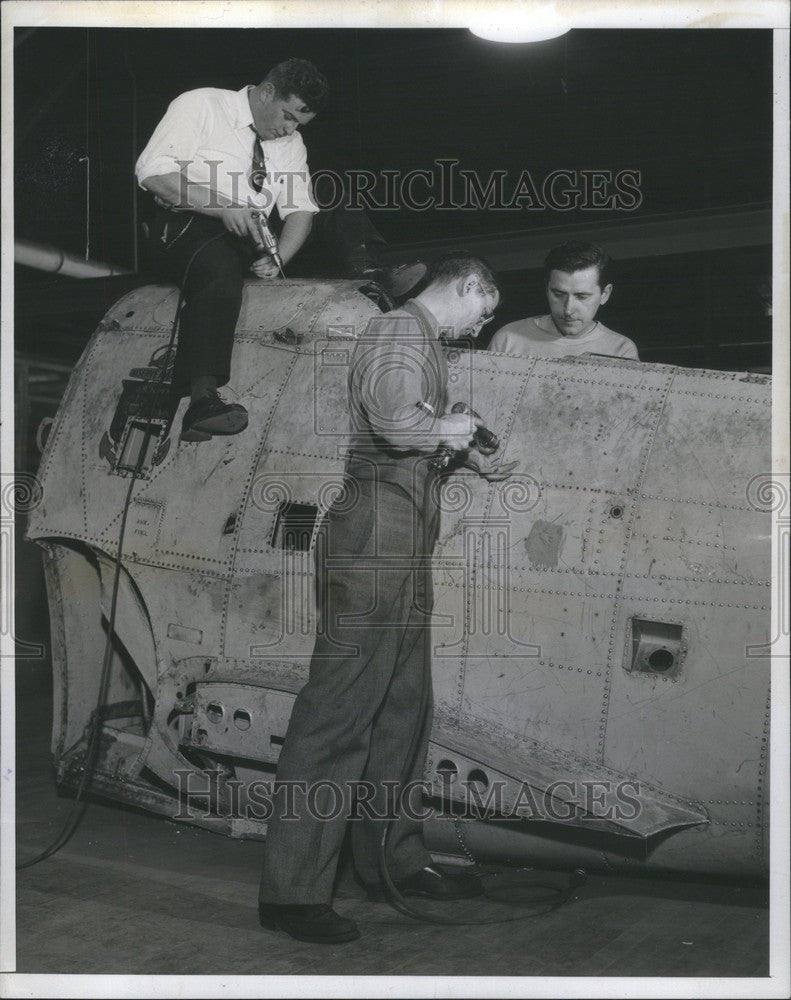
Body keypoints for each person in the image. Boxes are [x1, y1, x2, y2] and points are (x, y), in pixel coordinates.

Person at [258, 252, 517, 944]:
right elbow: (396, 425)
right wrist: (444, 430)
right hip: (374, 533)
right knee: (340, 710)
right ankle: (292, 891)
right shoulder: (398, 332)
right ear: (467, 284)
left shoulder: (422, 343)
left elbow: (406, 427)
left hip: (402, 536)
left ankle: (389, 863)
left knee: (403, 707)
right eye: (483, 310)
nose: (480, 326)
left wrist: (458, 440)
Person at [135, 59, 423, 443]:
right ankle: (202, 401)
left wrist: (278, 256)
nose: (288, 129)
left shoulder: (290, 142)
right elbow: (153, 173)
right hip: (188, 225)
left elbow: (300, 210)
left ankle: (372, 275)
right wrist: (223, 207)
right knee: (218, 272)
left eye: (298, 124)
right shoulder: (202, 104)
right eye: (287, 116)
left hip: (250, 234)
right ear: (267, 92)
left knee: (331, 200)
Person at [489, 241, 639, 360]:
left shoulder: (621, 350)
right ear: (546, 289)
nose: (568, 310)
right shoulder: (507, 339)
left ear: (605, 294)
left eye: (582, 297)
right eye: (559, 294)